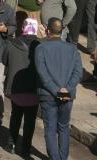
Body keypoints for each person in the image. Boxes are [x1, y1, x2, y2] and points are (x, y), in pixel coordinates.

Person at [35, 18, 82, 160]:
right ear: (61, 32)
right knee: (63, 127)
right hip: (67, 95)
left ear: (47, 30)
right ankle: (63, 157)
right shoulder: (72, 49)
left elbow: (42, 73)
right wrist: (66, 89)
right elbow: (77, 73)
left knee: (50, 128)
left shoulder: (40, 48)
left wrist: (56, 90)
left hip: (48, 95)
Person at [4, 16, 40, 156]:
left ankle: (10, 143)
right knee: (30, 121)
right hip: (33, 89)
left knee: (15, 116)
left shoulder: (11, 43)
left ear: (23, 27)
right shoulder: (40, 46)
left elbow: (4, 60)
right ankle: (25, 148)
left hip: (15, 87)